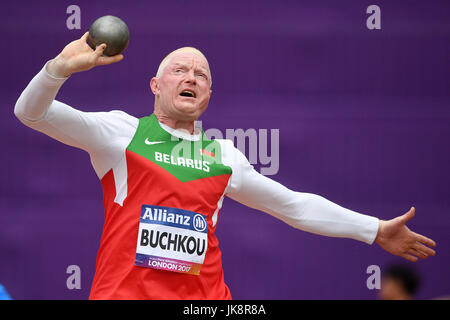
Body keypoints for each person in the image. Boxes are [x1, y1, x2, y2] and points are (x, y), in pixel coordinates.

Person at [14, 32, 437, 300]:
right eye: (180, 70)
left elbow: (293, 205)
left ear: (208, 96)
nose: (191, 77)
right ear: (155, 86)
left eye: (201, 74)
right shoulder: (119, 132)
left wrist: (374, 229)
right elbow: (30, 113)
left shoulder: (225, 155)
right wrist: (58, 70)